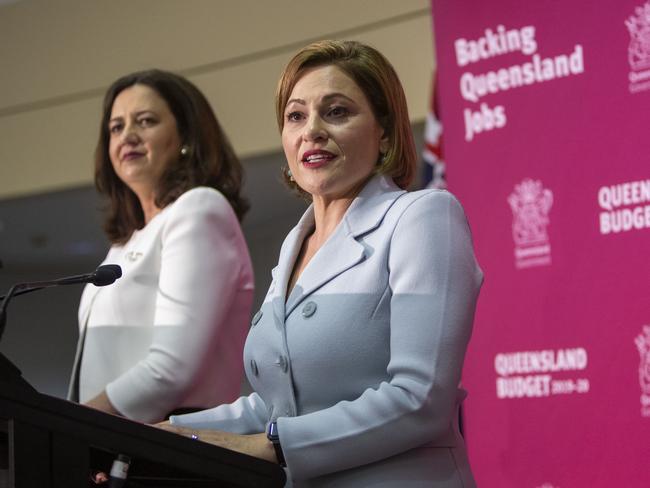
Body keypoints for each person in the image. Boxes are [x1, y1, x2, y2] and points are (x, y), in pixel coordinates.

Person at [160, 40, 483, 487]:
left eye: (336, 112)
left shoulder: (423, 216)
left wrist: (272, 446)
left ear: (384, 132)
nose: (311, 130)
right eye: (296, 116)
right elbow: (277, 405)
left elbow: (420, 397)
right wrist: (169, 433)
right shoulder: (294, 246)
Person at [68, 69, 254, 424]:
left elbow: (172, 367)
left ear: (186, 136)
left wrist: (76, 425)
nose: (128, 136)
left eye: (146, 121)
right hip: (113, 446)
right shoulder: (124, 244)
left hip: (171, 450)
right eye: (116, 127)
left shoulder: (200, 209)